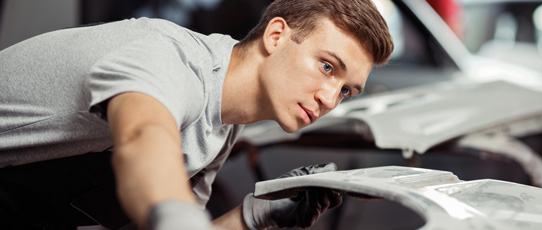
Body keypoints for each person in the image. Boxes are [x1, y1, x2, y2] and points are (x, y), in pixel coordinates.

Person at [0, 0, 393, 229]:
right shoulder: (173, 57)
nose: (329, 97)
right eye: (327, 67)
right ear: (276, 36)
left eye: (346, 90)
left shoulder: (222, 128)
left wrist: (253, 216)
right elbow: (144, 134)